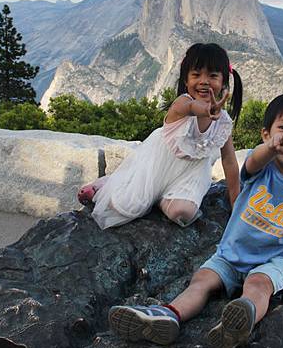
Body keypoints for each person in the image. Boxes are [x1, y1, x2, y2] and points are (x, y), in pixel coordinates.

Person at [108, 91, 283, 348]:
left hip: (275, 259)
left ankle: (237, 324)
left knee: (258, 286)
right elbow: (252, 161)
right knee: (202, 280)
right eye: (282, 128)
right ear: (265, 135)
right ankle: (169, 315)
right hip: (231, 252)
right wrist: (270, 148)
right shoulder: (262, 166)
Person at [78, 43, 243, 229]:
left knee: (182, 213)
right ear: (186, 80)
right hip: (158, 166)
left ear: (223, 82)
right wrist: (207, 109)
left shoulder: (223, 121)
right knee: (126, 206)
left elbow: (229, 160)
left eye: (212, 76)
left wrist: (235, 200)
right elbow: (192, 108)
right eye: (196, 75)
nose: (204, 81)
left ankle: (162, 198)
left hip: (192, 173)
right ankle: (104, 185)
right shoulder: (182, 103)